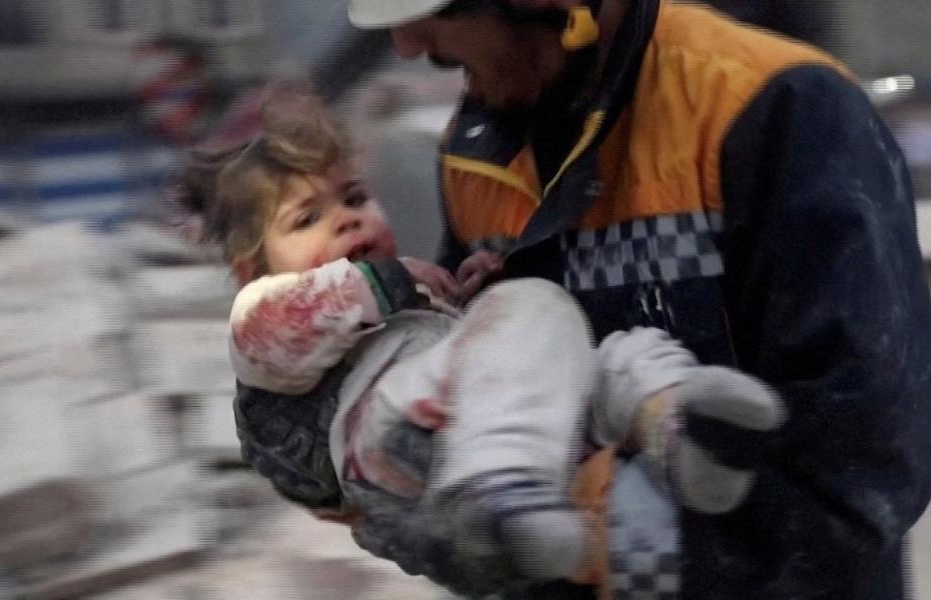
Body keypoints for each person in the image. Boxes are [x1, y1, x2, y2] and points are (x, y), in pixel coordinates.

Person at [344, 0, 931, 598]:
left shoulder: (776, 108)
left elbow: (859, 476)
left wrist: (593, 541)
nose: (409, 45)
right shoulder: (476, 153)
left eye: (434, 12)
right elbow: (464, 403)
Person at [182, 90, 784, 598]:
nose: (345, 219)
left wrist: (467, 300)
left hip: (457, 427)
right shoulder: (260, 314)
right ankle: (496, 491)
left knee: (612, 354)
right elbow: (290, 321)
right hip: (390, 437)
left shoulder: (409, 299)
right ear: (248, 269)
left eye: (355, 198)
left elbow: (474, 355)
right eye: (306, 218)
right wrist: (391, 283)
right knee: (533, 306)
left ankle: (679, 427)